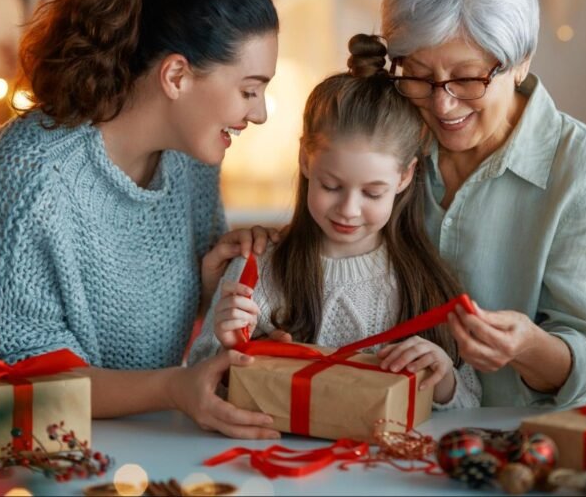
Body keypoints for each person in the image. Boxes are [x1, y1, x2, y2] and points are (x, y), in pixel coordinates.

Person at [0, 0, 285, 439]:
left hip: (129, 442)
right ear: (176, 76)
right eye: (249, 90)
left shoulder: (191, 163)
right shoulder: (29, 174)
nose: (259, 113)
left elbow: (161, 333)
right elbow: (15, 376)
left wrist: (210, 288)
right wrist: (172, 389)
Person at [350, 0, 586, 408]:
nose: (443, 105)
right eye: (419, 75)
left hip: (525, 440)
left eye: (466, 78)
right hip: (384, 428)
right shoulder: (389, 136)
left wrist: (527, 348)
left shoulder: (585, 174)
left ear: (521, 63)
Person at [189, 56, 482, 409]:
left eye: (372, 193)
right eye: (331, 186)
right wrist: (230, 349)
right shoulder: (258, 270)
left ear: (405, 176)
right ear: (305, 159)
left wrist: (443, 380)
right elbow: (199, 388)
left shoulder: (425, 282)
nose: (348, 209)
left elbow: (471, 407)